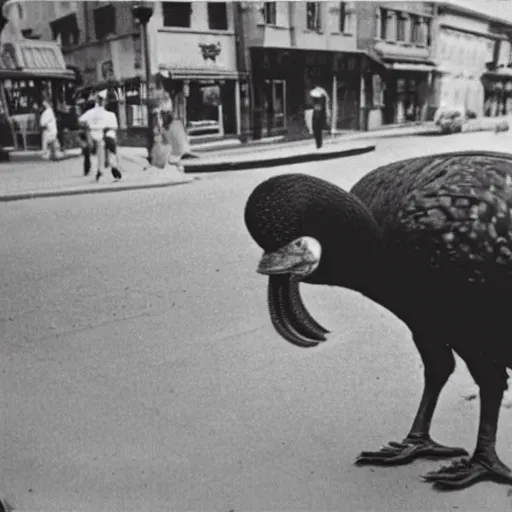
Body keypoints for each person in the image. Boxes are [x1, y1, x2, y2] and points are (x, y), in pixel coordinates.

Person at [79, 90, 121, 182]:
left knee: (108, 142)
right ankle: (102, 170)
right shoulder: (92, 112)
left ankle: (112, 166)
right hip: (96, 135)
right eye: (102, 100)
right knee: (101, 144)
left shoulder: (109, 114)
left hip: (104, 135)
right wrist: (89, 126)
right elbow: (82, 121)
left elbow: (113, 128)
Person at [309, 84, 331, 149]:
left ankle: (318, 143)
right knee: (317, 128)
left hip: (318, 111)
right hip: (318, 111)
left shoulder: (319, 92)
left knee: (317, 127)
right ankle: (319, 143)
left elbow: (326, 100)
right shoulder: (320, 92)